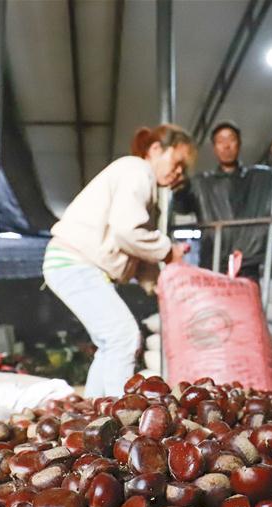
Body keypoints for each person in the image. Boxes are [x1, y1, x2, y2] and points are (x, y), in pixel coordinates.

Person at [42, 124, 195, 398]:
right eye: (177, 162)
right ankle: (121, 418)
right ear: (156, 150)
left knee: (111, 343)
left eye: (183, 168)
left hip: (76, 264)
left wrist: (156, 284)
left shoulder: (143, 186)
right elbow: (128, 232)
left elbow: (136, 248)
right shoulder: (138, 171)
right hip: (75, 262)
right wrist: (168, 250)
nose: (179, 172)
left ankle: (93, 418)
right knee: (123, 337)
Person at [172, 120, 272, 278]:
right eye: (220, 141)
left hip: (248, 265)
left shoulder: (259, 179)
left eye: (231, 139)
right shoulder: (201, 184)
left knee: (245, 301)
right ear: (214, 148)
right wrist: (178, 183)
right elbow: (181, 206)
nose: (226, 146)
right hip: (212, 264)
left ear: (239, 143)